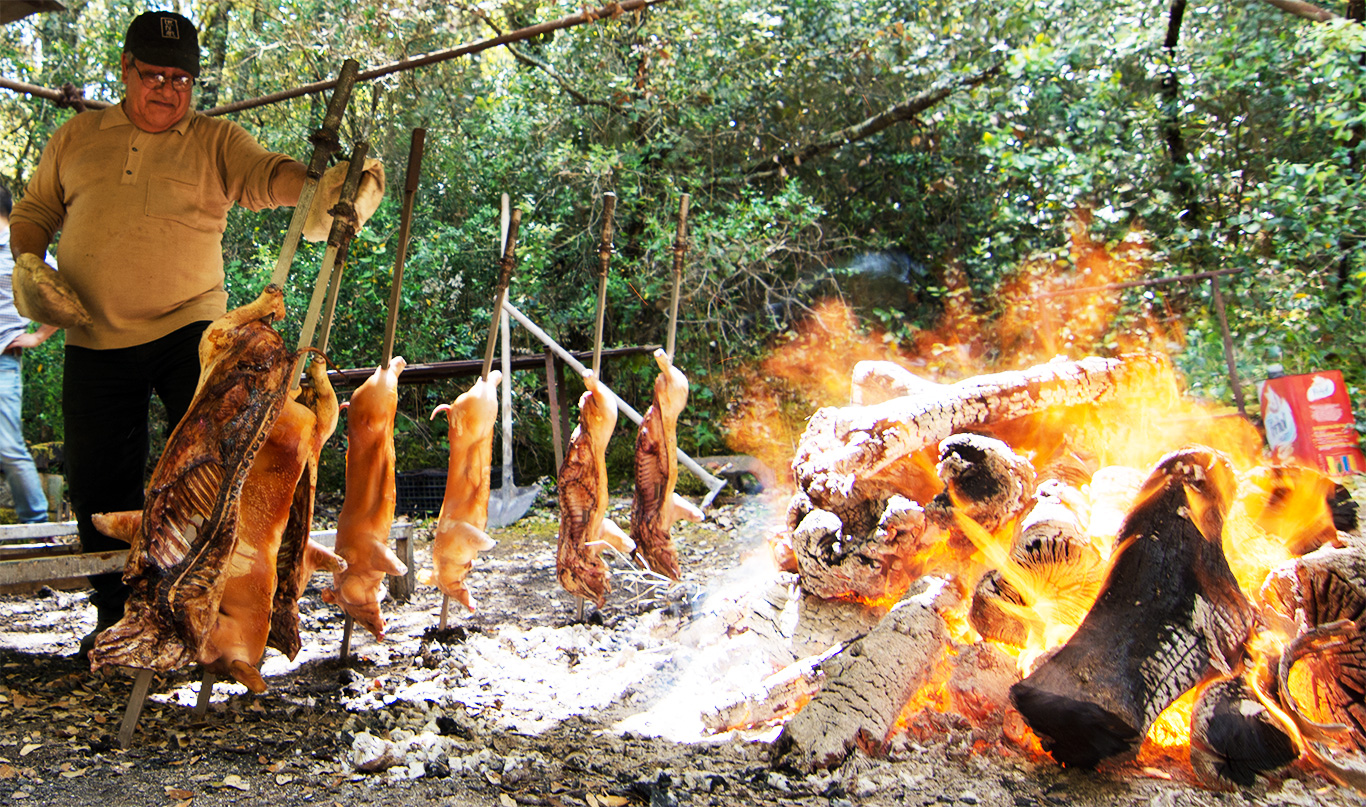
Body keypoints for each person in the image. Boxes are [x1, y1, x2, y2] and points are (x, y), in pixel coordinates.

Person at [8, 11, 381, 658]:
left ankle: (205, 608)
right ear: (125, 70)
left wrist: (328, 189)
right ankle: (115, 617)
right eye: (153, 74)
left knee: (216, 473)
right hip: (93, 338)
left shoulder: (215, 140)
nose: (166, 89)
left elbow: (272, 176)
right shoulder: (76, 137)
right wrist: (29, 259)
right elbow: (38, 208)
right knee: (100, 486)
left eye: (180, 78)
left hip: (193, 333)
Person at [0, 185, 57, 525]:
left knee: (7, 446)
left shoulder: (22, 247)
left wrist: (38, 336)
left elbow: (64, 286)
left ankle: (37, 526)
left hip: (3, 360)